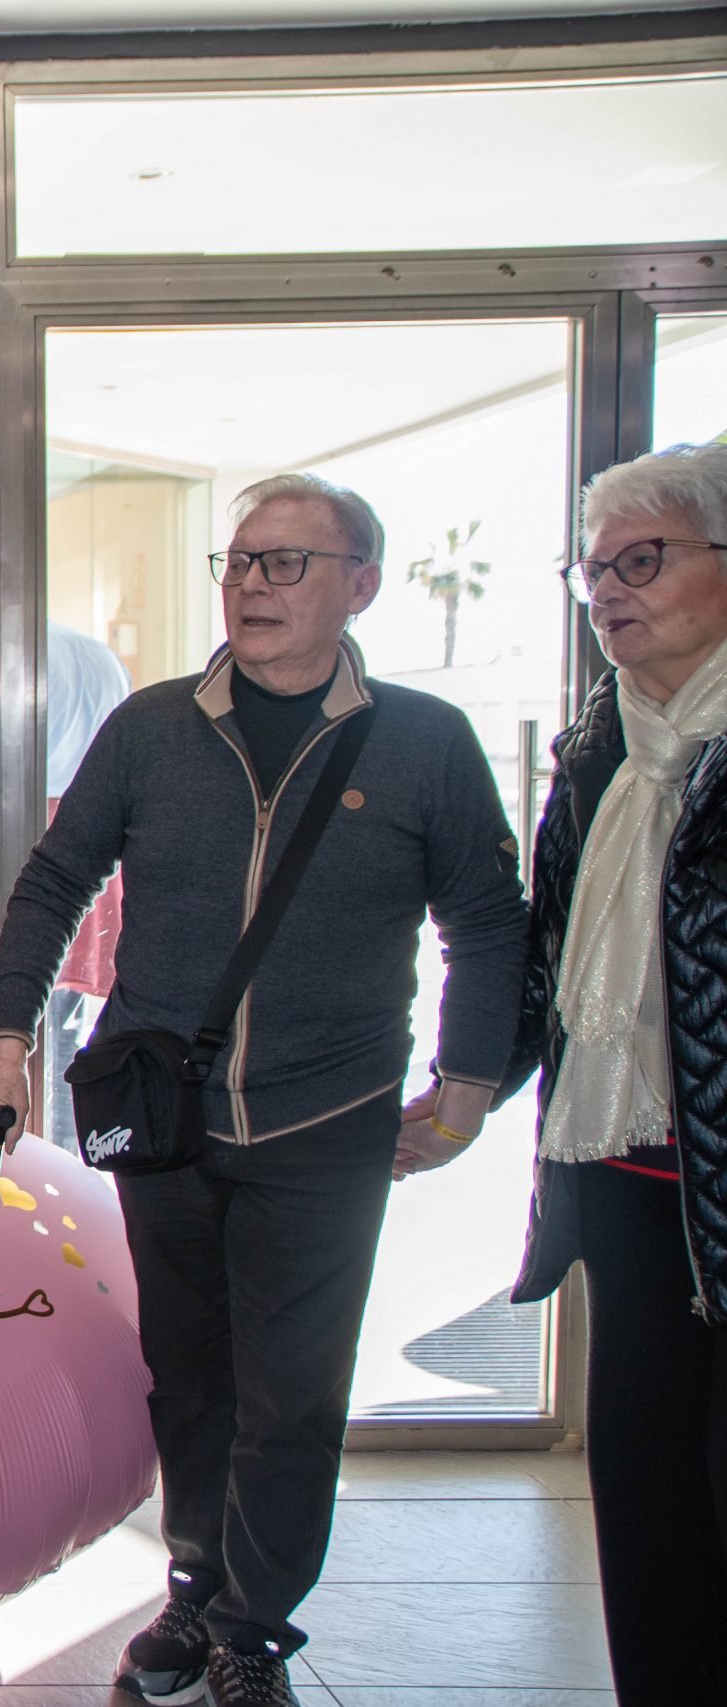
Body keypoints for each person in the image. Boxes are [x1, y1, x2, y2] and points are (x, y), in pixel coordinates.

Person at [0, 474, 529, 1707]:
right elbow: (54, 880)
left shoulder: (424, 741)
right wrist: (6, 1037)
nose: (251, 586)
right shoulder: (152, 727)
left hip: (328, 1118)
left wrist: (468, 1085)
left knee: (292, 1392)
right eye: (237, 562)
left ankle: (252, 1629)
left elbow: (488, 923)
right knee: (189, 1375)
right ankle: (193, 1585)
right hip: (163, 1115)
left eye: (285, 563)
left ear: (359, 584)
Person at [503, 442, 727, 1705]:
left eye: (642, 561)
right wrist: (467, 1088)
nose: (607, 592)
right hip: (626, 1176)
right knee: (644, 1491)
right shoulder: (600, 746)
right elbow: (546, 949)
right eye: (593, 571)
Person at [42, 621, 136, 1153]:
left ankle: (50, 1156)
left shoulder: (27, 655)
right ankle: (65, 1158)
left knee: (42, 1029)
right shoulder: (99, 656)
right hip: (96, 849)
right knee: (64, 1034)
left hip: (50, 836)